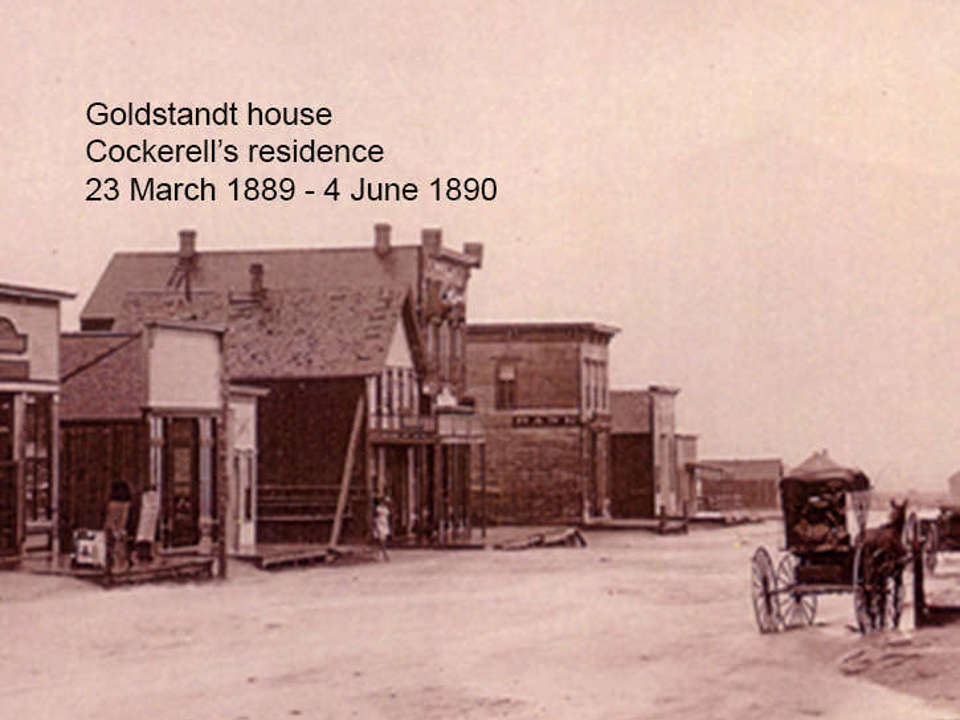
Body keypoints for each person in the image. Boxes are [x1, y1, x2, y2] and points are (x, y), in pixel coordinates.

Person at [373, 495, 391, 561]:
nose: (384, 503)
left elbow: (387, 516)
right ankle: (385, 554)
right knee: (381, 540)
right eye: (383, 502)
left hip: (385, 524)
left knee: (383, 541)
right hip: (379, 524)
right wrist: (376, 526)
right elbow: (375, 517)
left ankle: (380, 554)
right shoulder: (378, 508)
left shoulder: (386, 509)